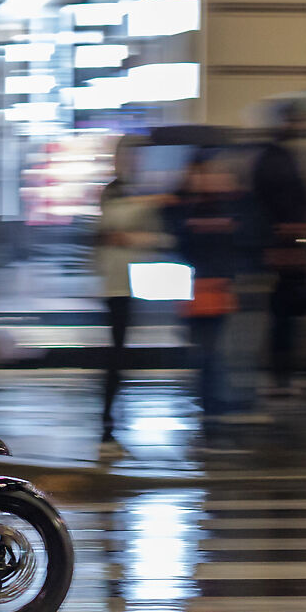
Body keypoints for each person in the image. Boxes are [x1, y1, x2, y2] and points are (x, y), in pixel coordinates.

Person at [165, 156, 253, 425]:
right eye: (200, 174)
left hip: (216, 288)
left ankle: (213, 403)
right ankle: (211, 405)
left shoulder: (220, 204)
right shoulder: (183, 207)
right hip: (194, 289)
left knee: (212, 351)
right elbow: (179, 242)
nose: (206, 179)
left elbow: (237, 238)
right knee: (207, 351)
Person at [93, 147, 164, 460]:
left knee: (120, 356)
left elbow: (150, 236)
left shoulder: (136, 191)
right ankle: (107, 430)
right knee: (116, 357)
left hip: (131, 283)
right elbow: (112, 230)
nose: (132, 163)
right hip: (117, 285)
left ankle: (110, 428)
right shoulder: (116, 192)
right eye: (127, 157)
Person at [250, 102, 306, 398]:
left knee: (288, 314)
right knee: (284, 314)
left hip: (288, 246)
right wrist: (287, 233)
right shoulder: (276, 158)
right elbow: (273, 205)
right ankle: (281, 376)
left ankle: (285, 374)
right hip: (284, 248)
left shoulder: (284, 156)